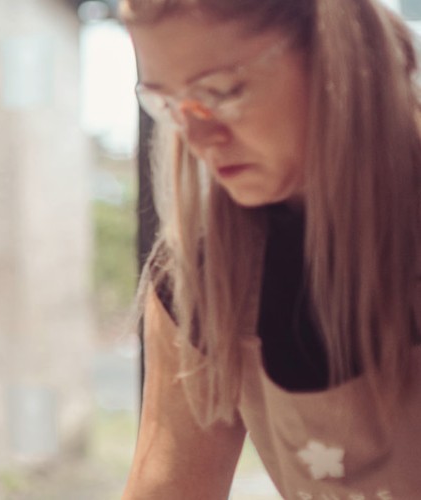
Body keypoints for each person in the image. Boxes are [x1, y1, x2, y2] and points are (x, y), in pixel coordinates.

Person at [120, 0, 421, 498]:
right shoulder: (201, 279)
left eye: (221, 92)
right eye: (168, 103)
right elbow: (167, 487)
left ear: (337, 55)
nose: (196, 135)